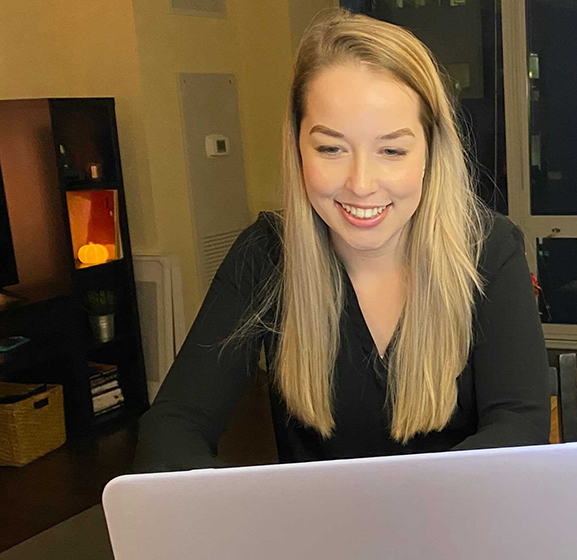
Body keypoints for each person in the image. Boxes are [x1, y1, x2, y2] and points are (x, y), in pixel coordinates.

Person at [134, 9, 550, 472]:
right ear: (298, 147)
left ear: (432, 151)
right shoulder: (267, 255)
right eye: (331, 148)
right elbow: (174, 423)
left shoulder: (489, 249)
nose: (361, 184)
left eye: (392, 150)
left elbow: (520, 424)